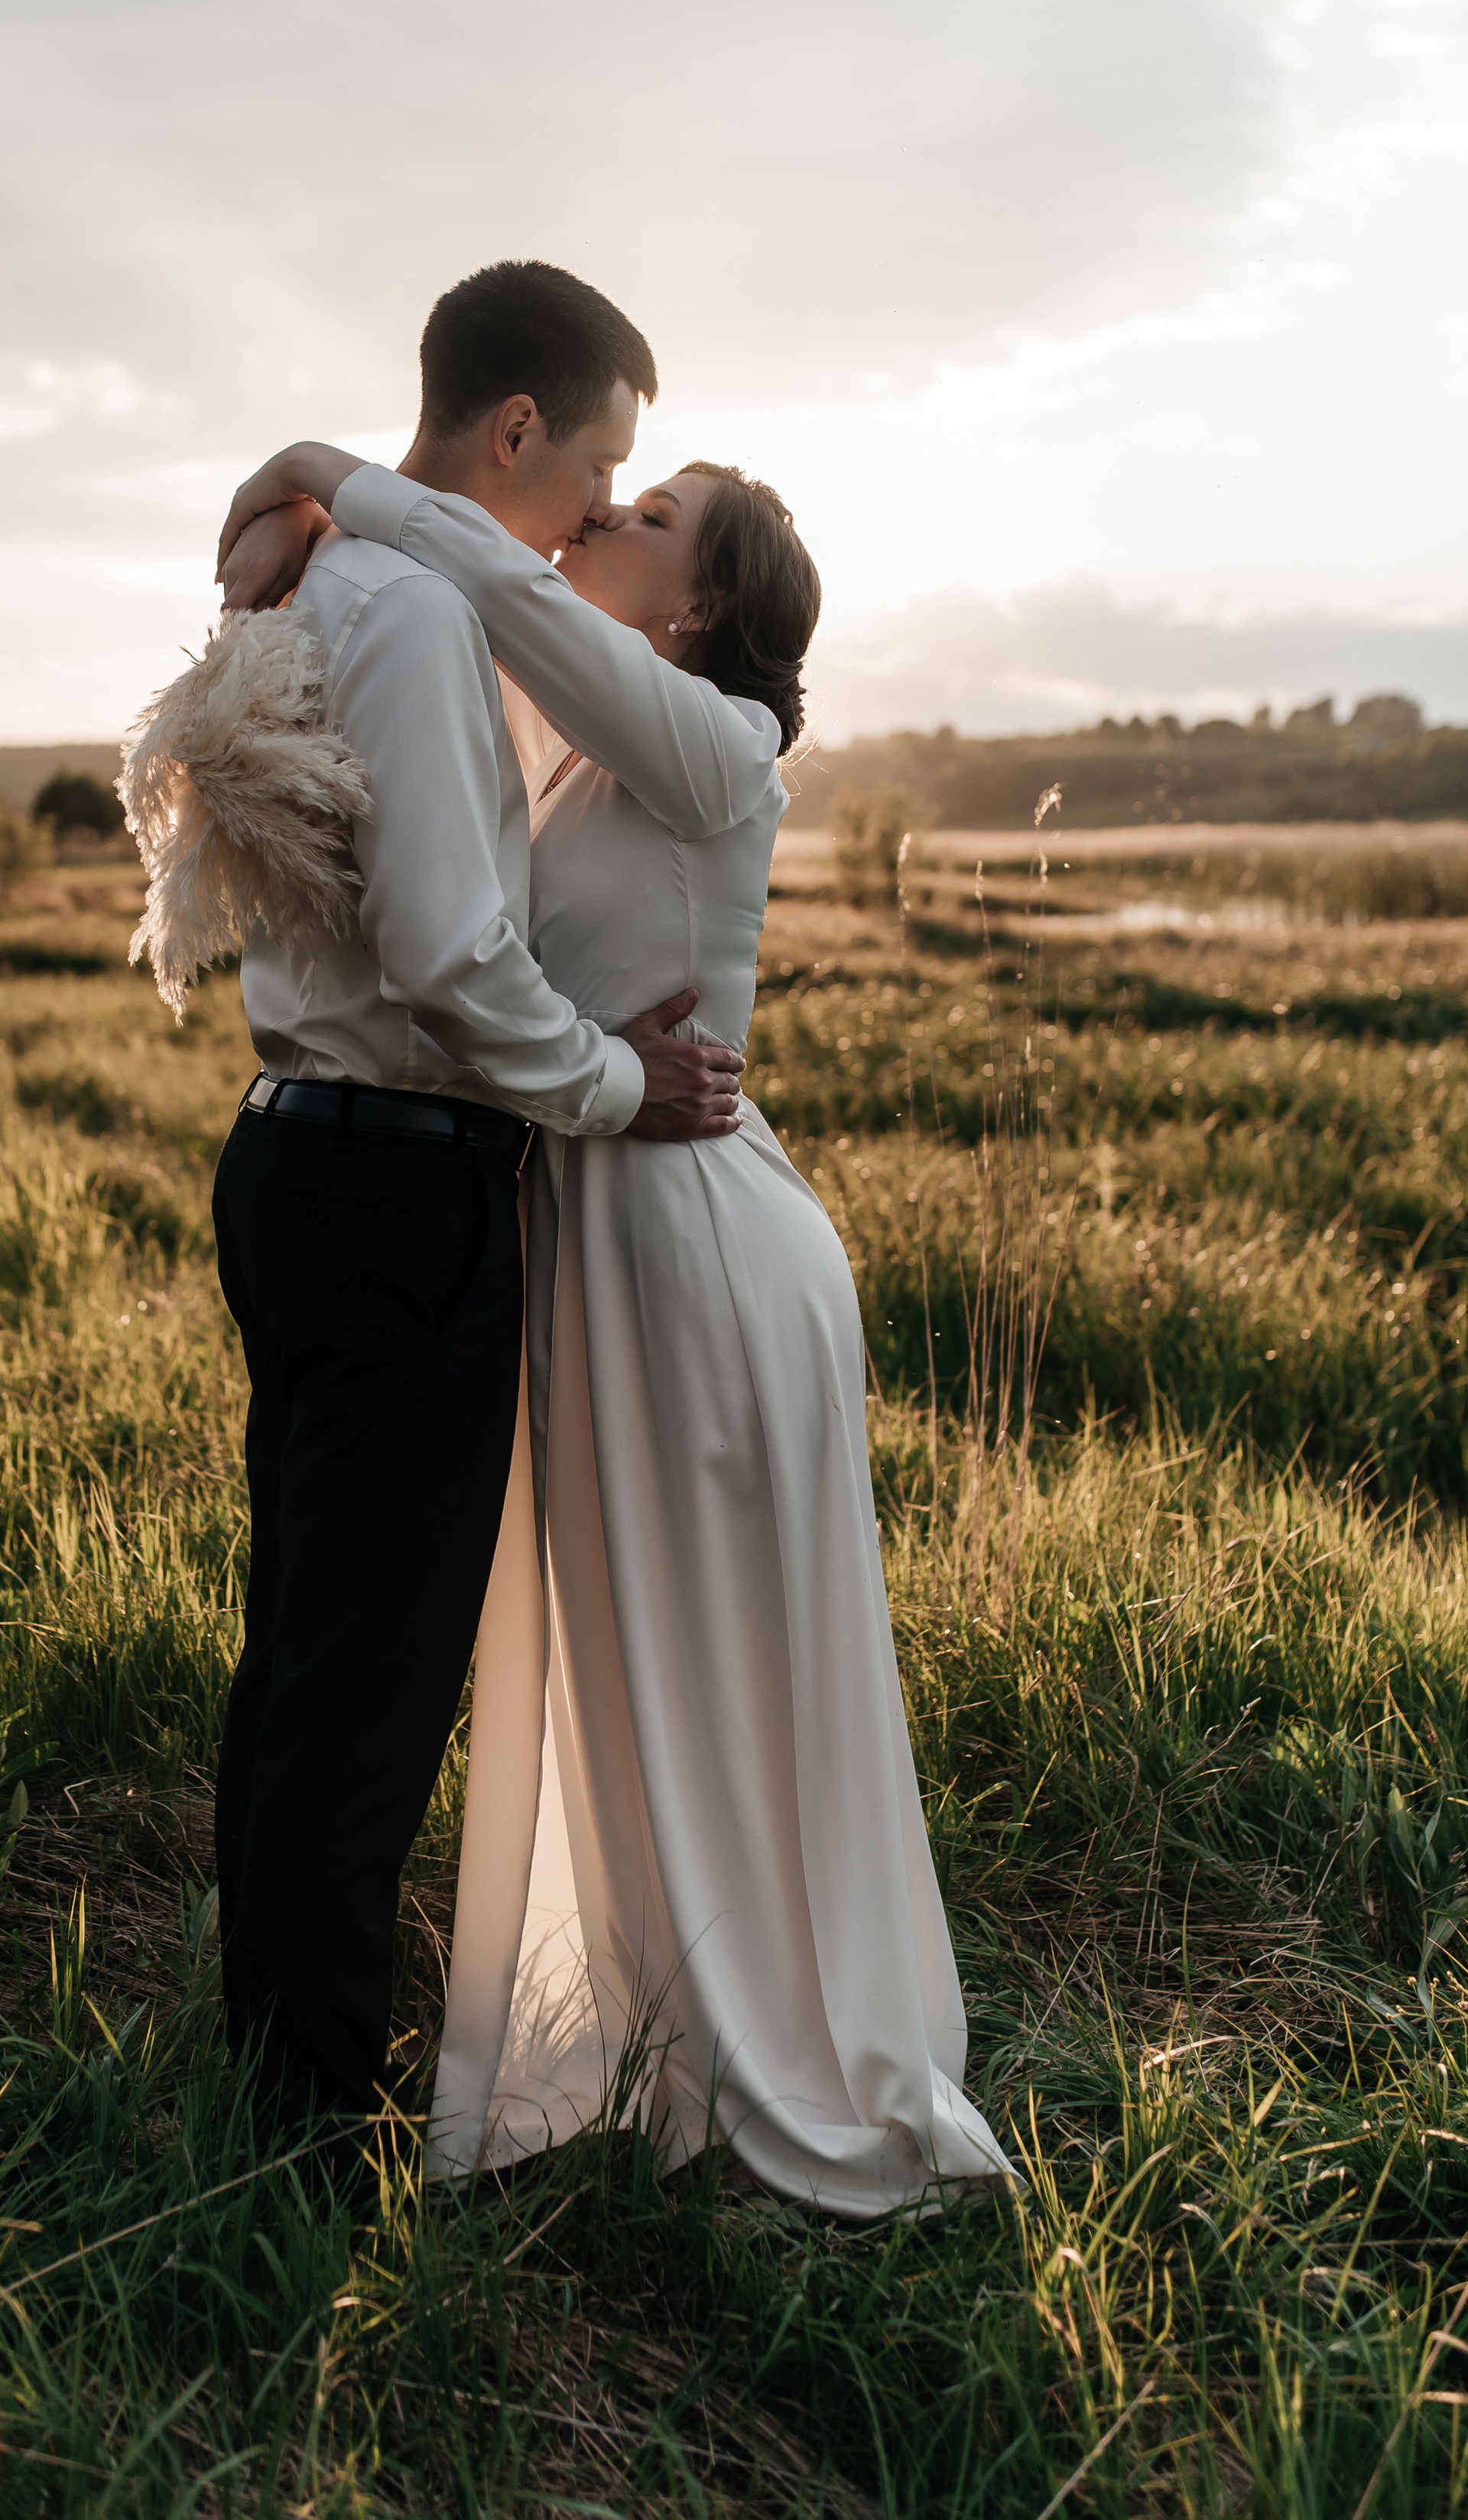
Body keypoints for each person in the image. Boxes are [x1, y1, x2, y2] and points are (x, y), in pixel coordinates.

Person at [217, 439, 1015, 2215]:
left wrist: (348, 468)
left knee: (711, 1662)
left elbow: (493, 579)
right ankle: (669, 2034)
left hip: (692, 1250)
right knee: (618, 1659)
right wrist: (294, 527)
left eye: (647, 520)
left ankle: (772, 2060)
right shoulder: (584, 734)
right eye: (611, 486)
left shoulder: (711, 743)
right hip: (590, 1222)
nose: (603, 519)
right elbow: (397, 632)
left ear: (703, 605)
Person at [206, 262, 745, 2165]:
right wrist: (613, 1081)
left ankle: (256, 2049)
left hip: (292, 1152)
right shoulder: (422, 613)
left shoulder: (310, 573)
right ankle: (300, 2134)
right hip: (395, 1183)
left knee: (300, 1637)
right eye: (592, 466)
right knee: (370, 1675)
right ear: (513, 430)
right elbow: (448, 949)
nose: (594, 512)